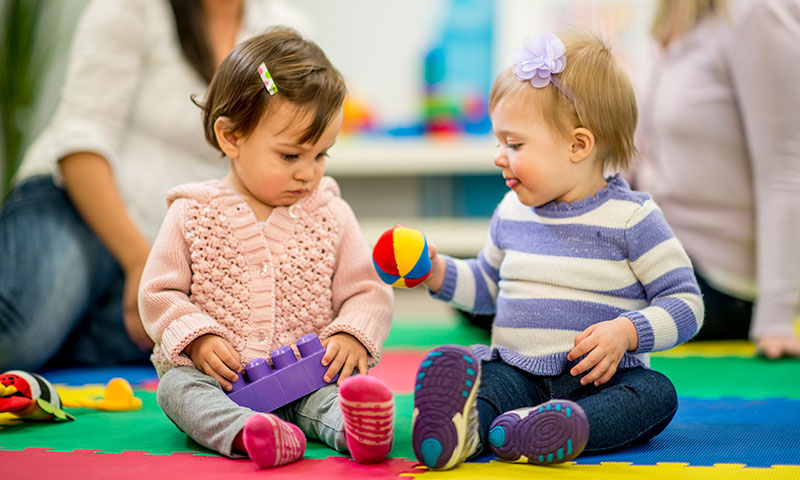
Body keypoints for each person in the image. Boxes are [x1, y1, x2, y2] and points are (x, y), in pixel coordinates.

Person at [409, 31, 704, 470]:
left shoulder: (633, 219)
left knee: (654, 395)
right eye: (498, 142)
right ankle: (465, 431)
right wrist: (435, 272)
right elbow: (489, 288)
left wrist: (627, 332)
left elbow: (687, 303)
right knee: (486, 385)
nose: (498, 156)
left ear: (578, 146)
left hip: (599, 381)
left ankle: (555, 428)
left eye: (514, 144)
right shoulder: (512, 210)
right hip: (516, 371)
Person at [0, 0, 309, 372]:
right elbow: (81, 139)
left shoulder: (282, 29)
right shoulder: (132, 9)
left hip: (179, 243)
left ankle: (73, 321)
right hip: (77, 207)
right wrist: (140, 262)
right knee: (18, 339)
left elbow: (287, 142)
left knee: (234, 340)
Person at [138, 27, 395, 468]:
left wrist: (353, 331)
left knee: (326, 398)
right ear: (232, 137)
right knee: (175, 391)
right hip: (216, 381)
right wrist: (198, 339)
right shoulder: (191, 213)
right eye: (291, 156)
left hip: (306, 376)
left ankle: (358, 429)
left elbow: (366, 290)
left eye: (321, 155)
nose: (308, 174)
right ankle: (246, 433)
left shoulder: (331, 214)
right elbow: (159, 292)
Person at [632, 0, 800, 358]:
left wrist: (777, 319)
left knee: (537, 302)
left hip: (718, 279)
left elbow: (785, 170)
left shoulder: (756, 15)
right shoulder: (677, 26)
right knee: (519, 283)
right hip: (664, 247)